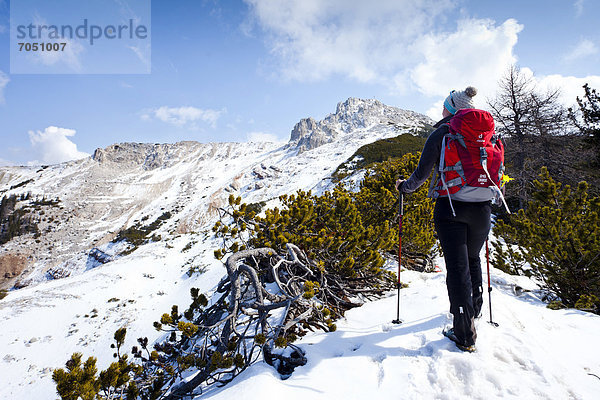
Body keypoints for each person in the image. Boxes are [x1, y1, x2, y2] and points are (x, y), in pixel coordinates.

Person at [396, 86, 493, 352]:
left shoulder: (442, 133)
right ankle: (474, 311)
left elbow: (421, 174)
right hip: (482, 209)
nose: (441, 111)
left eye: (444, 107)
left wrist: (404, 187)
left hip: (450, 209)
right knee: (472, 259)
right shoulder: (489, 135)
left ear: (451, 109)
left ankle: (463, 334)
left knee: (458, 268)